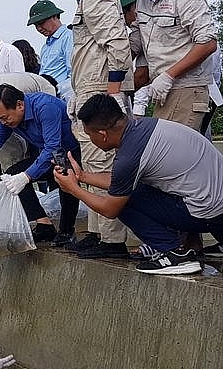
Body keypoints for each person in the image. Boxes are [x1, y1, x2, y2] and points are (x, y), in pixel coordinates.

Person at [53, 94, 223, 275]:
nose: (91, 141)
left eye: (89, 135)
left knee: (122, 204)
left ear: (102, 134)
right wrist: (82, 176)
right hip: (215, 208)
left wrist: (73, 190)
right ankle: (187, 245)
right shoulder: (144, 127)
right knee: (130, 191)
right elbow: (119, 182)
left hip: (209, 214)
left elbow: (110, 209)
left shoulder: (129, 156)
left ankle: (176, 253)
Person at [41, 0, 133, 258]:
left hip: (102, 91)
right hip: (89, 90)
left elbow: (118, 45)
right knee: (91, 161)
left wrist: (113, 92)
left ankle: (112, 239)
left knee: (103, 161)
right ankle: (97, 231)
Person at [0, 85, 81, 247]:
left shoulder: (45, 107)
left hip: (70, 152)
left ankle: (66, 231)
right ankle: (44, 225)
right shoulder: (7, 121)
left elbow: (53, 147)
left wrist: (26, 176)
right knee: (13, 174)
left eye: (5, 117)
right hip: (47, 154)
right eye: (0, 119)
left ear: (20, 105)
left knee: (64, 176)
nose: (3, 122)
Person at [120, 0, 217, 131]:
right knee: (165, 154)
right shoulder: (143, 0)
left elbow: (207, 43)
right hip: (161, 90)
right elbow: (139, 39)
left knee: (174, 156)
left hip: (186, 87)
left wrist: (168, 76)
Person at [0, 73, 56, 201]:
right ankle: (20, 214)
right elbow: (47, 124)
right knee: (14, 170)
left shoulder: (16, 80)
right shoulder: (47, 89)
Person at [26, 0, 73, 102]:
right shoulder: (45, 47)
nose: (39, 28)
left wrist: (58, 91)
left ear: (54, 17)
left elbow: (73, 73)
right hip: (46, 94)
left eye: (41, 23)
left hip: (62, 96)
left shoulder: (68, 37)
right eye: (36, 25)